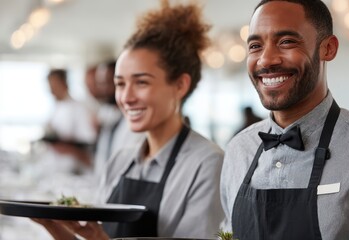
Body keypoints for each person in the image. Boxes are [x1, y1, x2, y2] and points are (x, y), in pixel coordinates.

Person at [220, 0, 349, 239]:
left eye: (287, 42)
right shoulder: (238, 151)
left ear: (328, 48)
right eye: (255, 46)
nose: (266, 60)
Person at [34, 1, 224, 239]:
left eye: (141, 82)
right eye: (120, 84)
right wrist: (56, 228)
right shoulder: (121, 160)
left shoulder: (206, 164)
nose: (126, 97)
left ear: (180, 85)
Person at [42, 68, 97, 169]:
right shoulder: (56, 109)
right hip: (56, 166)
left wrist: (66, 146)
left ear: (64, 83)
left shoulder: (79, 109)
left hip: (75, 168)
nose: (51, 91)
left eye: (54, 86)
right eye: (50, 86)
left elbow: (89, 142)